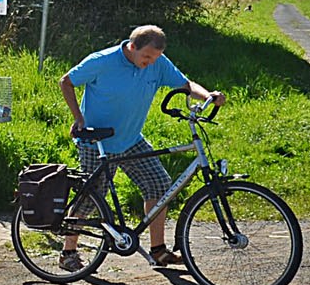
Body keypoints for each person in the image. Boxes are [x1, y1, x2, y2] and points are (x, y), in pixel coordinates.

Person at [60, 24, 225, 269]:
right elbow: (66, 81)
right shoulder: (102, 61)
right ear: (132, 46)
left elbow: (185, 84)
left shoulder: (158, 62)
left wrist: (208, 95)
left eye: (155, 58)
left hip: (131, 139)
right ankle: (68, 253)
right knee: (92, 198)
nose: (150, 63)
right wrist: (79, 118)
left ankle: (158, 251)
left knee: (158, 184)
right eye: (146, 57)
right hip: (97, 141)